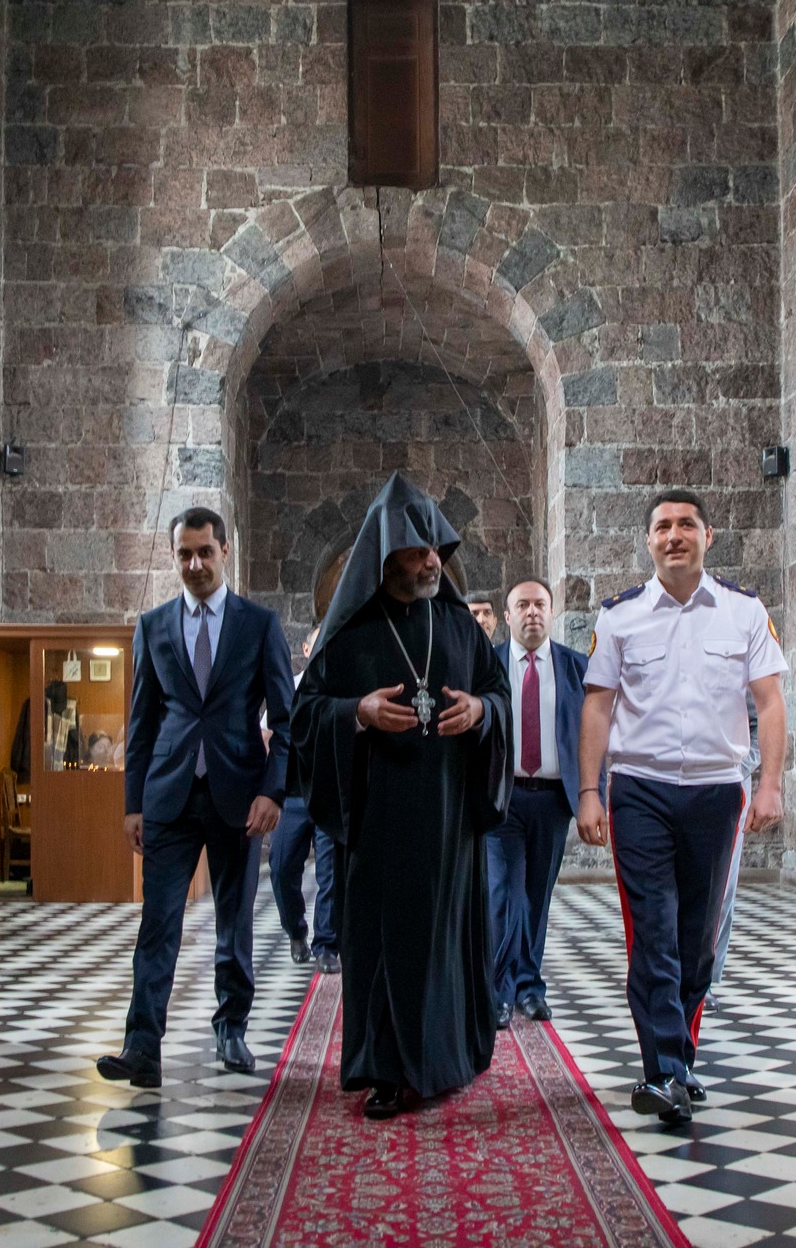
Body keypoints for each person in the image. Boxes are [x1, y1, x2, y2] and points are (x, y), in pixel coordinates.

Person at [291, 473, 511, 1119]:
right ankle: (385, 1069)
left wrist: (482, 712)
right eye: (418, 552)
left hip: (449, 819)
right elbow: (304, 715)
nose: (432, 561)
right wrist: (354, 712)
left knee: (444, 942)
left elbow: (498, 695)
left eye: (436, 549)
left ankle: (449, 1058)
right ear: (386, 557)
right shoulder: (349, 635)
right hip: (380, 819)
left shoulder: (461, 627)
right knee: (384, 947)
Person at [578, 491, 786, 1127]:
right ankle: (662, 1070)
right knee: (654, 929)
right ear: (648, 541)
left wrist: (771, 784)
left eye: (686, 525)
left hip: (716, 793)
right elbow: (597, 706)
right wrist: (589, 791)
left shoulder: (744, 612)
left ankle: (681, 1062)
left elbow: (770, 702)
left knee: (698, 940)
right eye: (663, 526)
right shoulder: (620, 617)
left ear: (707, 535)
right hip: (640, 790)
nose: (674, 535)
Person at [96, 508, 292, 1087]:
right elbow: (141, 723)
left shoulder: (258, 624)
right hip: (169, 796)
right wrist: (133, 804)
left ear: (224, 551)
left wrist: (273, 791)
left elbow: (287, 722)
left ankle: (231, 1027)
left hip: (239, 796)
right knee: (158, 924)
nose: (195, 564)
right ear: (173, 557)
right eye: (184, 554)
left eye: (205, 551)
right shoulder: (153, 625)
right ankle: (142, 1046)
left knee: (234, 921)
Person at [487, 577, 584, 1029]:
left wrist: (592, 794)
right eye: (522, 605)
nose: (532, 612)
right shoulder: (487, 665)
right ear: (507, 616)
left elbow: (592, 736)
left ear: (551, 611)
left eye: (540, 604)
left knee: (536, 897)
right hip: (501, 799)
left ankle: (529, 987)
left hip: (551, 800)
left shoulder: (575, 668)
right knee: (505, 894)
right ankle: (499, 991)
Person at [270, 627, 339, 972]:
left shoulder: (343, 688)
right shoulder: (288, 687)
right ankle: (295, 929)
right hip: (293, 796)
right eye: (318, 642)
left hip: (330, 794)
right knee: (282, 867)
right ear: (306, 648)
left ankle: (326, 944)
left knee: (330, 874)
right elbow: (267, 733)